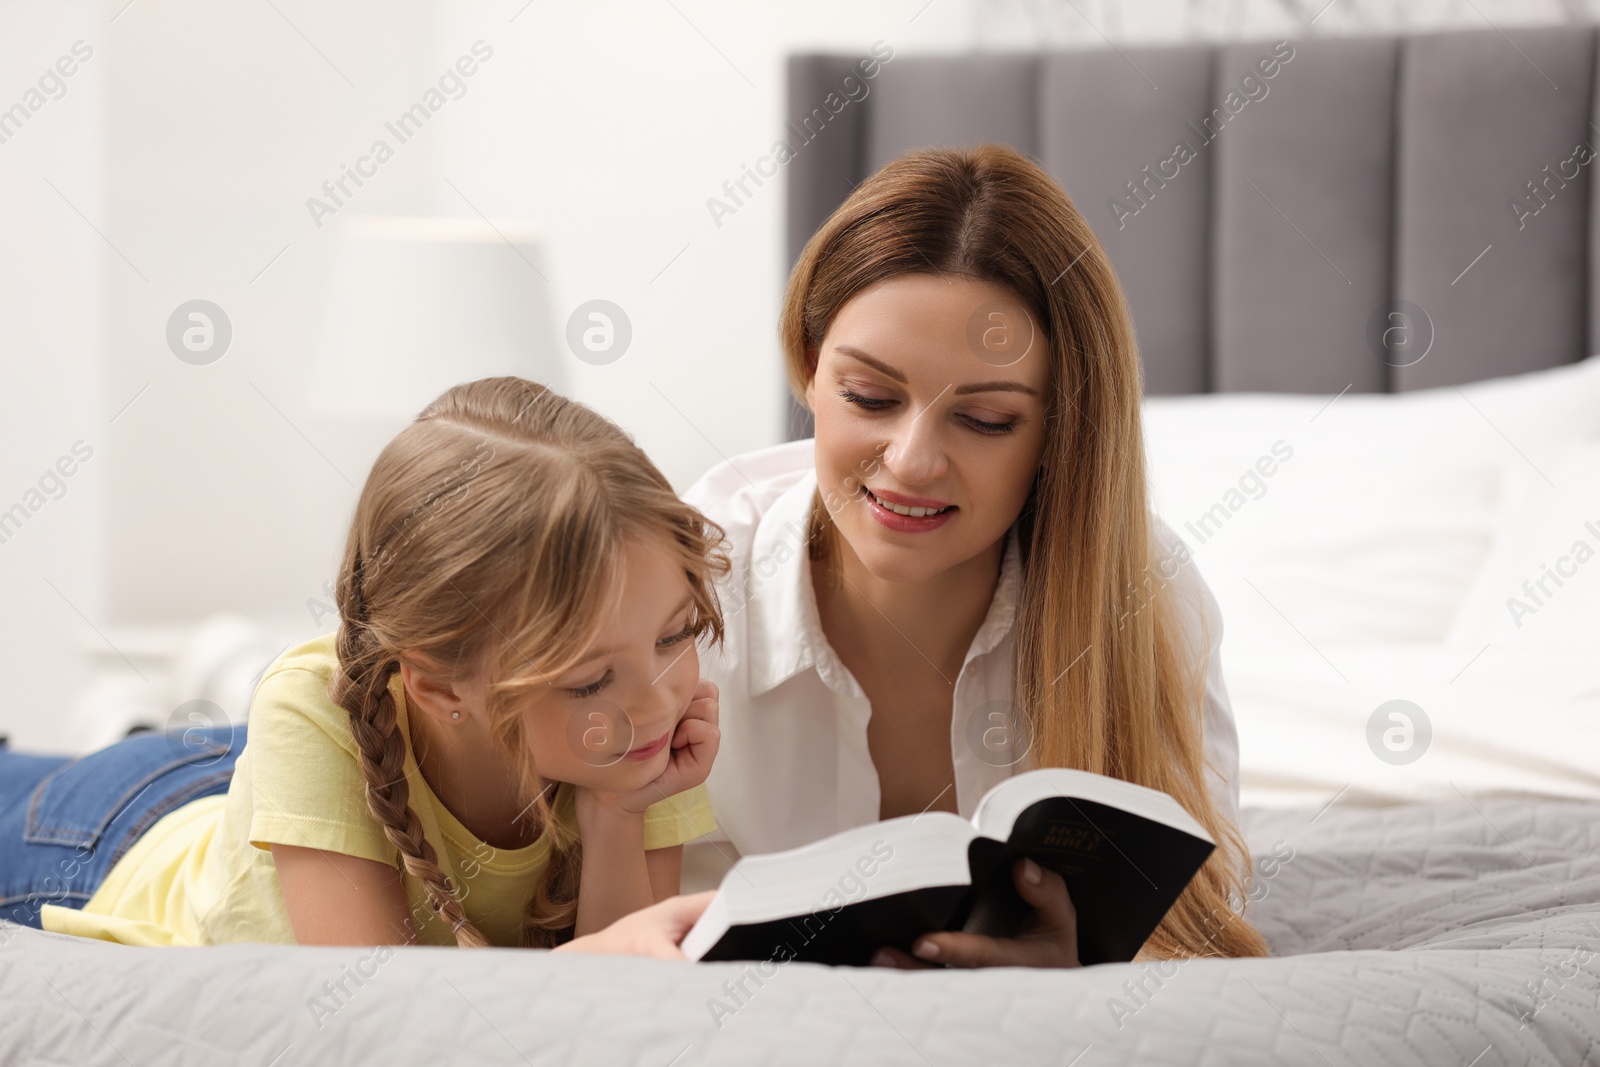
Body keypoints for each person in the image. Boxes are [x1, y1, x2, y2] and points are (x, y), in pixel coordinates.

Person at [684, 143, 1270, 966]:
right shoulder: (686, 589)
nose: (913, 460)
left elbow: (1197, 935)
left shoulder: (1144, 598)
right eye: (870, 397)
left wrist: (1083, 976)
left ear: (1060, 434)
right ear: (811, 371)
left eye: (987, 419)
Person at [1, 378, 727, 953]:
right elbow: (380, 1020)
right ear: (440, 683)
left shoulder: (634, 735)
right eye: (591, 680)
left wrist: (617, 813)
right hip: (116, 835)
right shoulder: (307, 707)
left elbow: (630, 997)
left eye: (676, 635)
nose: (661, 703)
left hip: (287, 785)